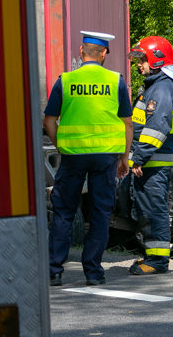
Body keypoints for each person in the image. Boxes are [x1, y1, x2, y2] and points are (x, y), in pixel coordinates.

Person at [44, 31, 133, 287]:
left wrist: (60, 145)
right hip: (105, 158)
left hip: (73, 157)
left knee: (63, 212)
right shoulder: (116, 81)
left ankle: (54, 271)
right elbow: (127, 124)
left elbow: (48, 120)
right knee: (100, 213)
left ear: (81, 51)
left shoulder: (66, 80)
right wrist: (124, 157)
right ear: (104, 53)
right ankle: (93, 272)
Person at [127, 36, 173, 276]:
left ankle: (158, 261)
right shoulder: (156, 85)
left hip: (152, 163)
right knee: (148, 210)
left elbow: (156, 129)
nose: (139, 64)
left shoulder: (160, 88)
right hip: (149, 161)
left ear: (157, 60)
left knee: (154, 210)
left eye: (142, 59)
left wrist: (139, 157)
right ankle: (153, 256)